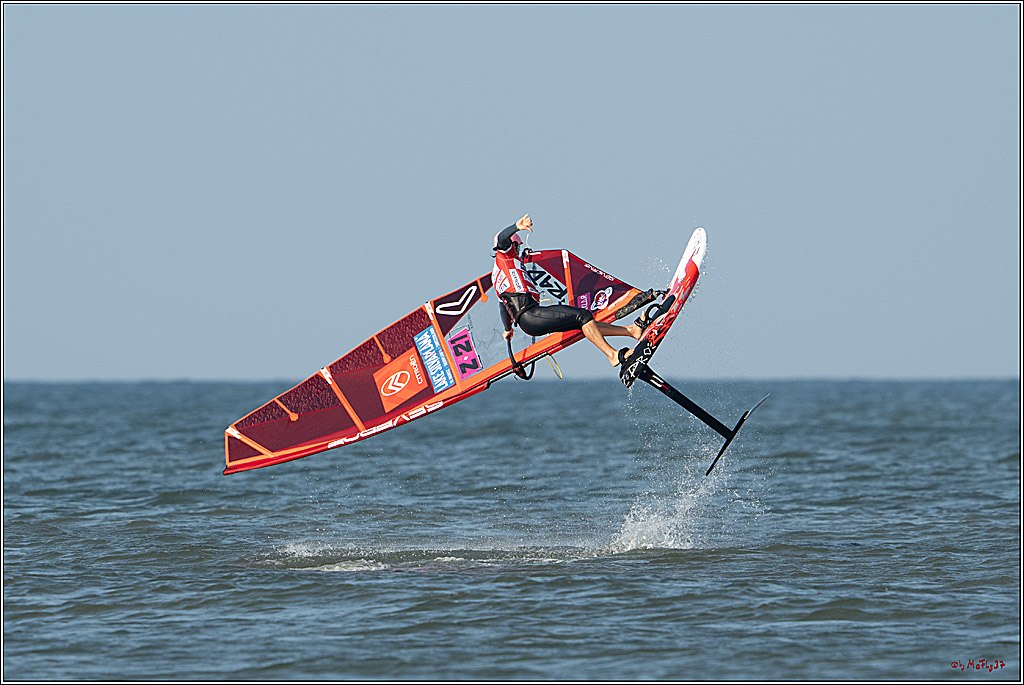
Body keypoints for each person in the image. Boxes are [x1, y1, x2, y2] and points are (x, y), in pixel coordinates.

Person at [493, 213, 643, 367]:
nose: (518, 251)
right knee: (583, 316)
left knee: (582, 323)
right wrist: (517, 227)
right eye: (517, 246)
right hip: (530, 314)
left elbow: (503, 307)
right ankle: (612, 355)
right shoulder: (505, 256)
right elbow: (502, 239)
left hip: (528, 320)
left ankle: (631, 331)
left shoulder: (498, 274)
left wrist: (507, 329)